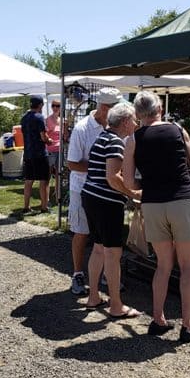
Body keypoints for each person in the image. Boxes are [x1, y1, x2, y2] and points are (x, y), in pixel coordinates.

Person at [122, 90, 190, 343]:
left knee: (162, 265)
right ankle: (187, 325)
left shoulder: (133, 140)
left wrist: (148, 181)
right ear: (159, 108)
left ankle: (158, 319)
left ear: (137, 114)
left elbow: (129, 182)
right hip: (182, 200)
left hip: (152, 204)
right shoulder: (177, 130)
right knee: (188, 264)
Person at [81, 102, 141, 318]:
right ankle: (116, 306)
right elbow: (112, 177)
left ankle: (94, 296)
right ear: (125, 122)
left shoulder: (103, 137)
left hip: (90, 196)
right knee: (113, 253)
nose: (135, 123)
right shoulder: (116, 142)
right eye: (134, 119)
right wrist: (133, 194)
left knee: (98, 248)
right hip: (106, 202)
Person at [65, 87, 122, 296]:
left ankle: (108, 274)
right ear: (105, 108)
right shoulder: (82, 129)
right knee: (82, 232)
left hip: (106, 190)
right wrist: (102, 166)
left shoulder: (115, 128)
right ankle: (78, 274)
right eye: (117, 108)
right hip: (82, 188)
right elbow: (72, 163)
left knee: (105, 236)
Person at [20, 96, 51, 213]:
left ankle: (26, 207)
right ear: (40, 105)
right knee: (44, 180)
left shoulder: (24, 118)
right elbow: (43, 136)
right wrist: (49, 141)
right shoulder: (39, 117)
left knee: (28, 181)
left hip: (28, 153)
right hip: (40, 153)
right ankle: (44, 207)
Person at [46, 99, 62, 204]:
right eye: (53, 106)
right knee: (47, 174)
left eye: (57, 106)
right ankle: (46, 199)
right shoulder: (48, 119)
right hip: (51, 150)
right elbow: (44, 134)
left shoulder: (63, 120)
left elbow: (64, 135)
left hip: (60, 150)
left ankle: (57, 198)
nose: (55, 108)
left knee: (58, 175)